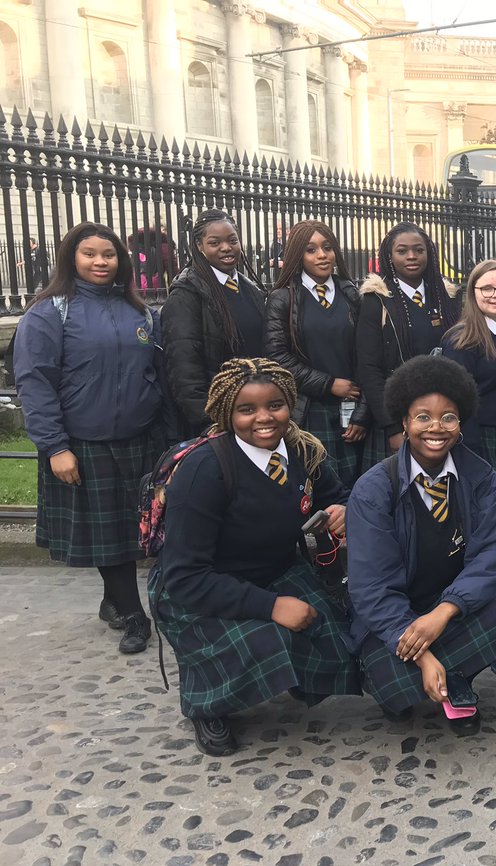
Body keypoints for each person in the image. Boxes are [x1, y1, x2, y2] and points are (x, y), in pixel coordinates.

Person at [152, 358, 359, 756]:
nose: (263, 419)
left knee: (339, 636)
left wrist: (344, 510)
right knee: (271, 639)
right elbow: (185, 578)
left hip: (275, 569)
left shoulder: (301, 450)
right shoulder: (204, 469)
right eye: (247, 410)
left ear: (290, 405)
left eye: (275, 405)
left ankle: (294, 676)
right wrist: (272, 606)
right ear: (227, 412)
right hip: (203, 588)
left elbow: (340, 494)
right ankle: (207, 703)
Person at [346, 355, 496, 734]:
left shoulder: (481, 478)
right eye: (423, 417)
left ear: (461, 421)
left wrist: (445, 611)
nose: (436, 427)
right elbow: (371, 587)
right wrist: (422, 655)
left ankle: (454, 675)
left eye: (448, 417)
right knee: (389, 680)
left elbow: (495, 556)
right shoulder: (373, 490)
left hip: (451, 611)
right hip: (393, 620)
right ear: (404, 421)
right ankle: (437, 676)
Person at [13, 222, 170, 655]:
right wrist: (56, 447)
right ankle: (134, 616)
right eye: (90, 254)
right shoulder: (50, 312)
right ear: (71, 258)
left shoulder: (139, 311)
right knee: (113, 535)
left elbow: (154, 373)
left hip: (140, 438)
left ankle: (112, 600)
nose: (100, 262)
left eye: (109, 254)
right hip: (84, 443)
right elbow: (36, 382)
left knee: (138, 530)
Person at [264, 220, 367, 486]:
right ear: (298, 254)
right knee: (319, 485)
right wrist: (329, 384)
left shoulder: (351, 294)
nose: (322, 255)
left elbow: (370, 354)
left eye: (327, 247)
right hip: (310, 409)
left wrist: (363, 411)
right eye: (311, 249)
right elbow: (278, 358)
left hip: (353, 406)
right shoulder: (282, 299)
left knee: (357, 484)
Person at [355, 223, 458, 469]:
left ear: (429, 253)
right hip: (397, 413)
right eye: (402, 251)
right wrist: (391, 426)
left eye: (418, 250)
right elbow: (369, 368)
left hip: (440, 411)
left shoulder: (447, 296)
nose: (411, 256)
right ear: (389, 256)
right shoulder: (376, 299)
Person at [162, 209, 268, 438]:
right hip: (217, 421)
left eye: (232, 240)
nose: (226, 248)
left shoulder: (252, 291)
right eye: (215, 242)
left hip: (256, 412)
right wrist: (209, 421)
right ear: (200, 246)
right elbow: (184, 370)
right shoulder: (186, 295)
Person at [440, 260, 496, 501]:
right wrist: (471, 450)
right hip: (480, 440)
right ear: (473, 292)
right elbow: (456, 398)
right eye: (487, 288)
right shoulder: (462, 339)